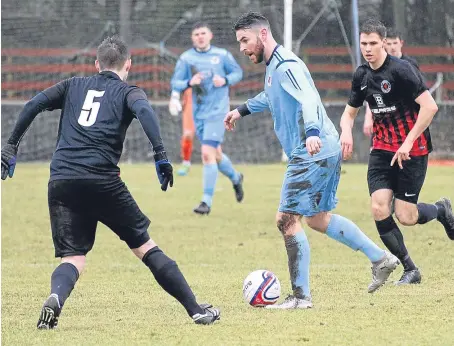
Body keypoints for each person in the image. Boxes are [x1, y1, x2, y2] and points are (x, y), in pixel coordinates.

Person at [1, 36, 220, 329]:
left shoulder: (71, 85)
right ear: (128, 65)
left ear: (96, 64)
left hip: (62, 180)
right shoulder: (129, 91)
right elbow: (144, 111)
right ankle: (196, 310)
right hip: (102, 181)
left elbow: (33, 104)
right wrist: (160, 155)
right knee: (145, 247)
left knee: (74, 258)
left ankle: (55, 297)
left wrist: (10, 146)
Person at [225, 12, 399, 310]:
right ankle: (381, 259)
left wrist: (312, 133)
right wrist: (241, 110)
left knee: (286, 220)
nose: (242, 48)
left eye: (245, 40)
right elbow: (271, 96)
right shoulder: (274, 67)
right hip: (325, 148)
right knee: (317, 218)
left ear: (263, 35)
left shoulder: (286, 64)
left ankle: (300, 297)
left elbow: (306, 98)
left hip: (312, 150)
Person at [340, 19, 454, 285]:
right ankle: (410, 269)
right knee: (379, 208)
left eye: (372, 43)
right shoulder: (361, 76)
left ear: (383, 43)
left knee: (406, 216)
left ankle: (440, 210)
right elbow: (349, 113)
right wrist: (346, 130)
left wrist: (407, 142)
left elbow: (430, 108)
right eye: (363, 44)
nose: (367, 49)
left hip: (413, 150)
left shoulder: (402, 71)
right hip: (381, 148)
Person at [170, 21, 244, 215]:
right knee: (215, 154)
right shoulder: (186, 59)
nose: (200, 37)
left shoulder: (221, 55)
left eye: (203, 33)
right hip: (199, 113)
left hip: (219, 111)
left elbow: (238, 72)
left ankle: (206, 202)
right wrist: (188, 82)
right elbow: (175, 82)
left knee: (206, 153)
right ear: (192, 38)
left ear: (210, 35)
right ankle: (236, 178)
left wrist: (225, 80)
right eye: (196, 34)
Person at [363, 27, 424, 138]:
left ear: (401, 43)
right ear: (384, 44)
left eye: (395, 43)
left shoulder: (410, 65)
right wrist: (368, 118)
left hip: (406, 120)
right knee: (376, 151)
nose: (392, 47)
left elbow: (420, 93)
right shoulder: (376, 65)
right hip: (383, 118)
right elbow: (371, 93)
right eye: (389, 43)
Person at [169, 88, 196, 176]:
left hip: (210, 97)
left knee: (211, 138)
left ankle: (215, 163)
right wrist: (174, 96)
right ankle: (186, 163)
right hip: (191, 95)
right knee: (187, 134)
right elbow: (177, 80)